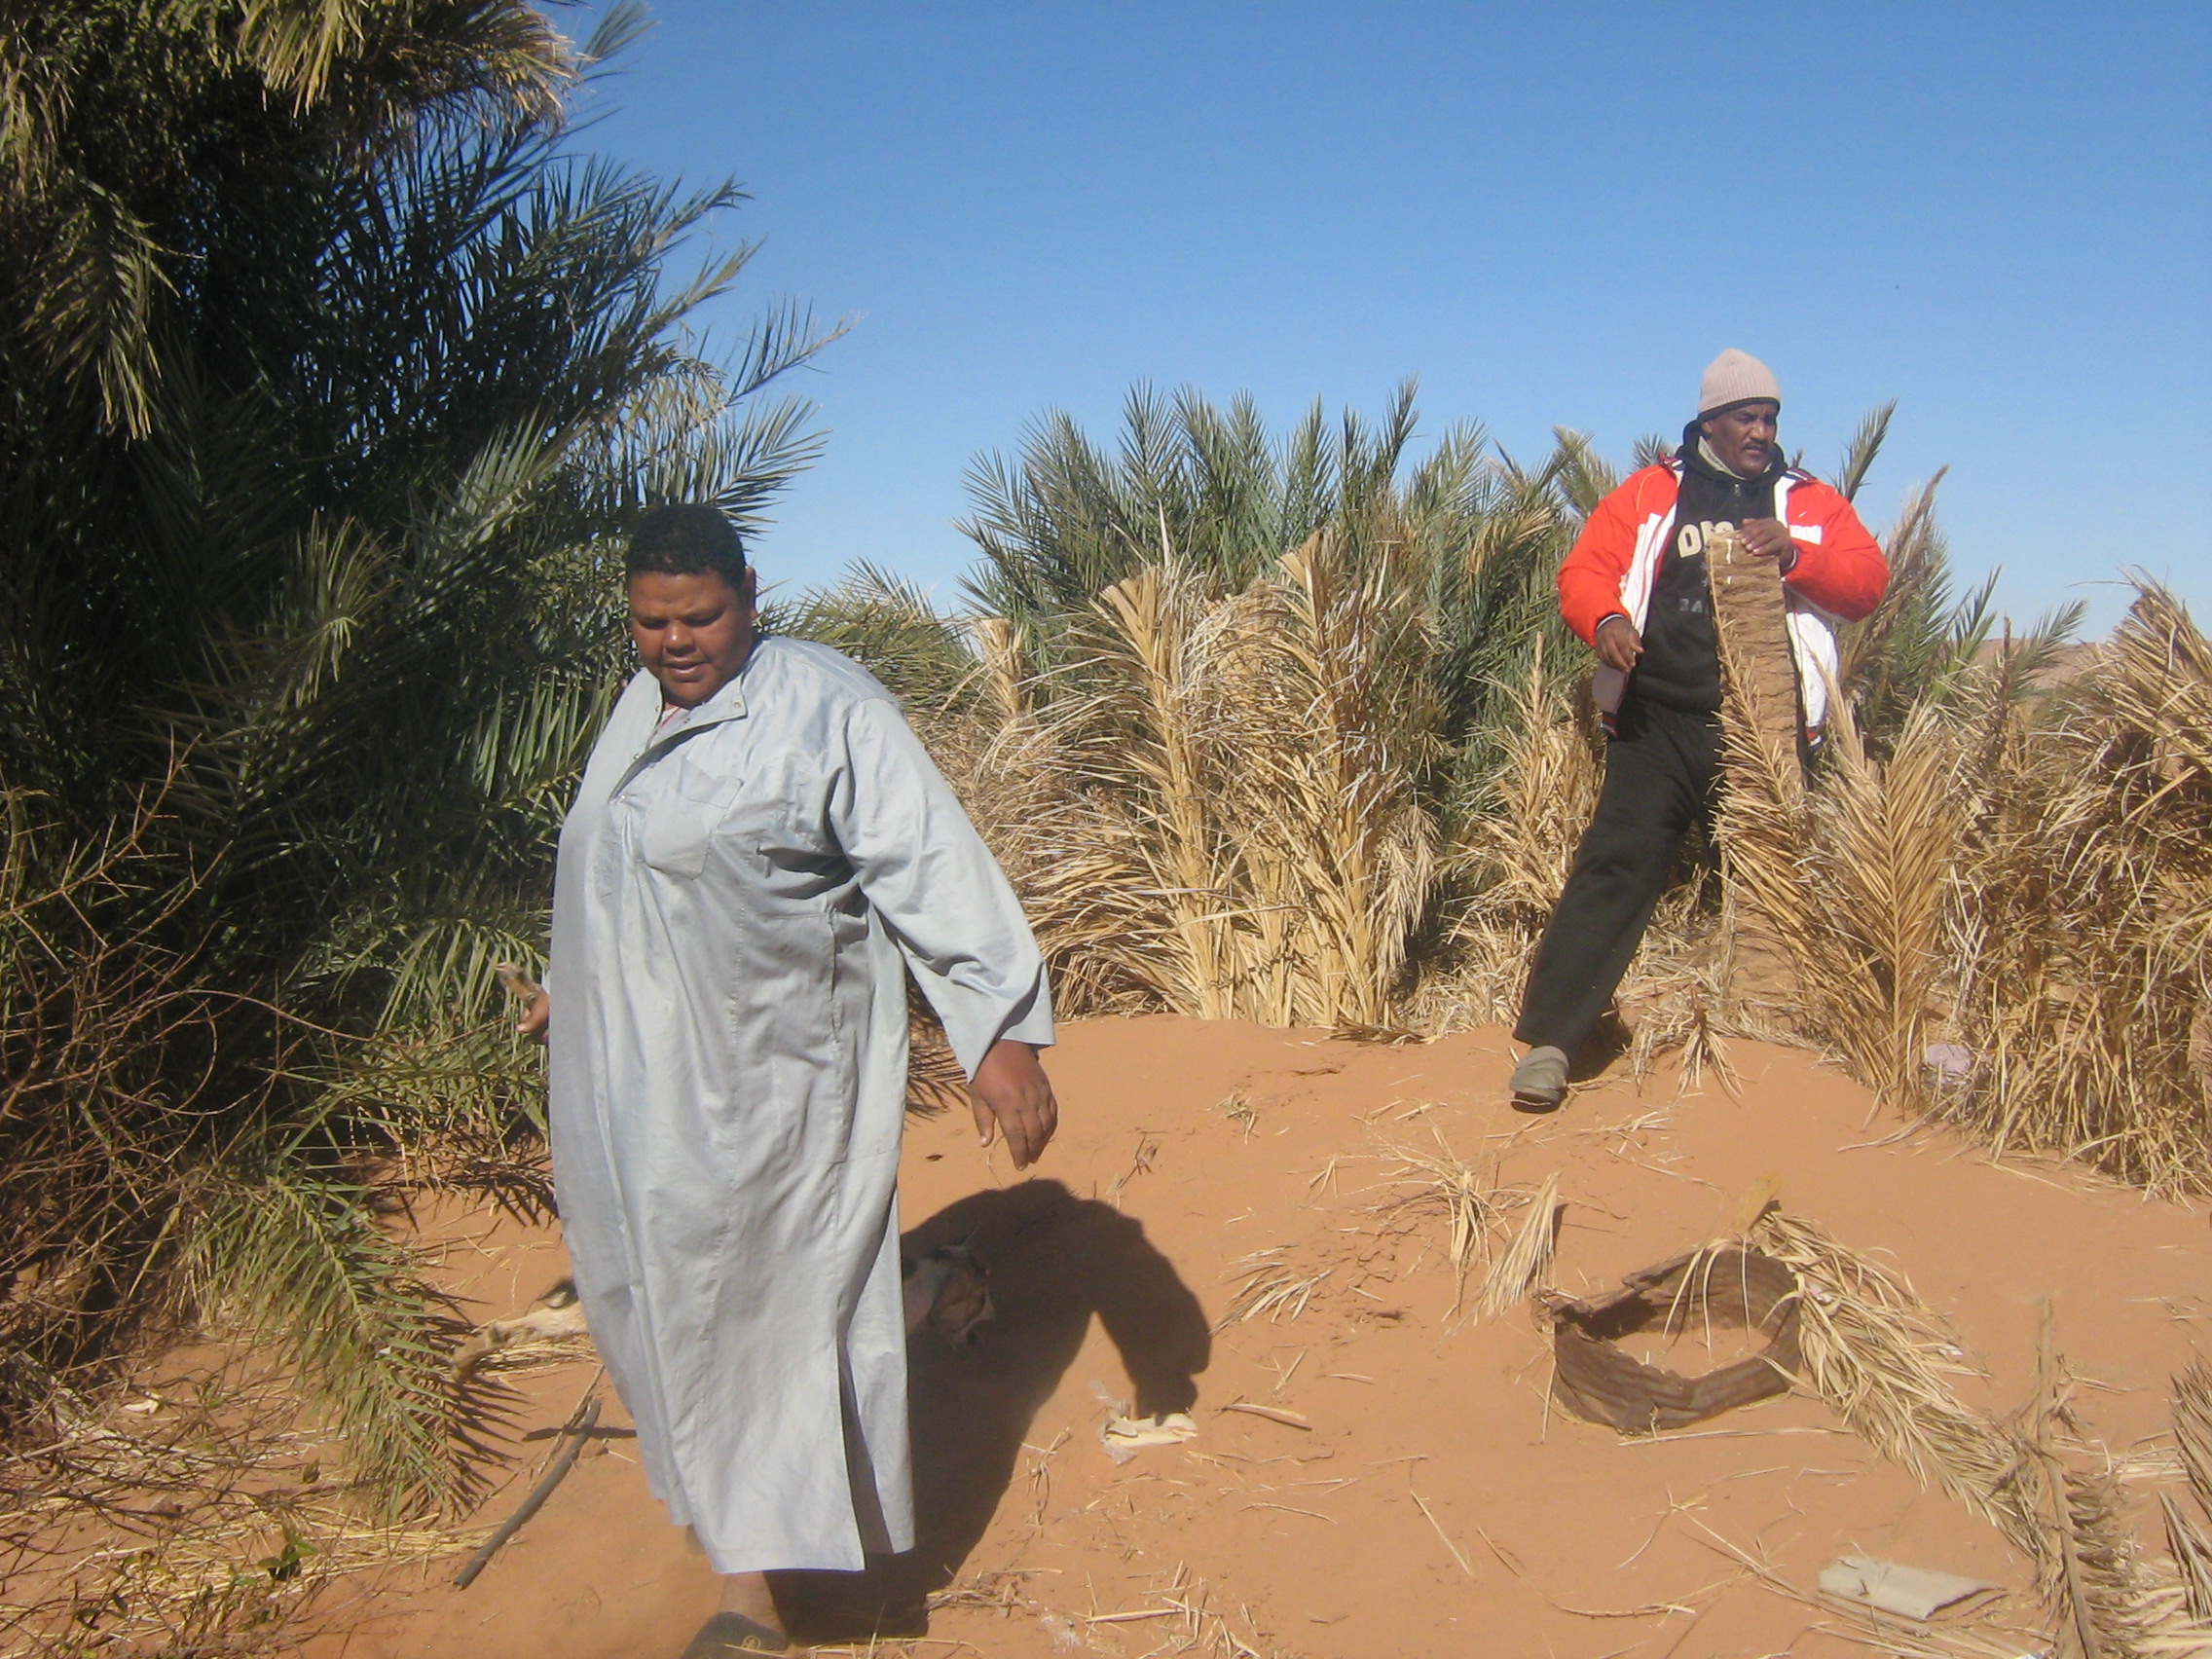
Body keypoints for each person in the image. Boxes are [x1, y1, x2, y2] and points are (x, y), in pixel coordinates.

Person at [519, 504, 1059, 1655]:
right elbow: (613, 868)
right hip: (636, 1087)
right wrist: (571, 986)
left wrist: (998, 1033)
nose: (675, 642)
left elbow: (929, 865)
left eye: (700, 617)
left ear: (750, 598)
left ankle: (753, 1595)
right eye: (650, 622)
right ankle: (913, 1317)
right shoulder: (635, 711)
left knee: (755, 1316)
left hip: (775, 1080)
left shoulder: (828, 709)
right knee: (661, 1304)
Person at [1506, 350, 1889, 1111]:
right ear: (1711, 420)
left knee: (1787, 883)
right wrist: (1607, 620)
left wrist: (1797, 556)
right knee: (1615, 870)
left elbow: (1866, 584)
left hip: (1766, 734)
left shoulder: (1807, 502)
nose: (1762, 429)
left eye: (1771, 416)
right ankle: (1551, 1041)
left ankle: (1799, 1047)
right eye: (1747, 416)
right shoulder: (1654, 492)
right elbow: (1583, 572)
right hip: (1658, 721)